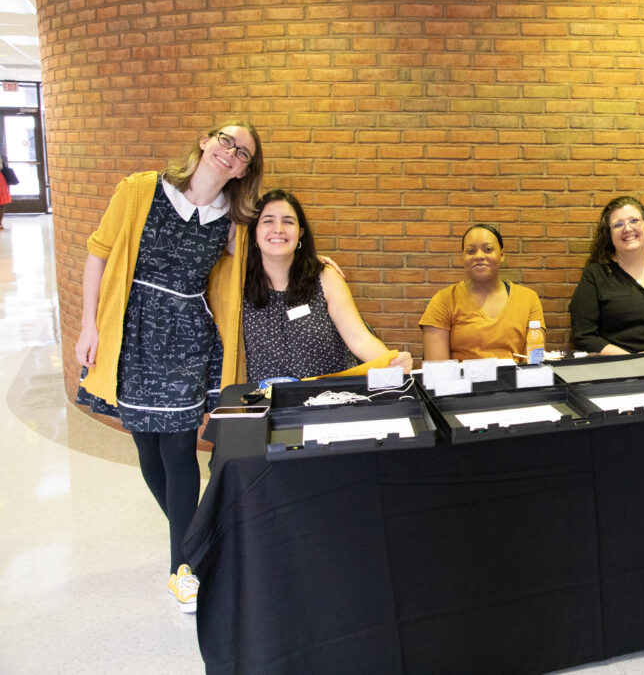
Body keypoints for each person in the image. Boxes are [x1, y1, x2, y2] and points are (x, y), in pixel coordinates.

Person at [74, 121, 262, 614]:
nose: (231, 152)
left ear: (245, 170)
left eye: (242, 153)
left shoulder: (232, 222)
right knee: (147, 447)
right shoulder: (140, 190)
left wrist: (319, 264)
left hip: (187, 336)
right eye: (226, 140)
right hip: (130, 330)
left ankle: (184, 569)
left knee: (180, 450)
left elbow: (263, 259)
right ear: (204, 142)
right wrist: (88, 325)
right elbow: (98, 253)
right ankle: (201, 537)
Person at [242, 189, 412, 380]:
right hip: (265, 402)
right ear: (254, 231)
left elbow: (359, 339)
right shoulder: (238, 286)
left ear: (300, 233)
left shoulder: (324, 276)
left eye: (288, 221)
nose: (279, 229)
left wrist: (391, 362)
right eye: (268, 221)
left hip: (328, 397)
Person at [419, 223, 544, 362]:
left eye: (488, 249)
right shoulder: (443, 300)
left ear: (502, 255)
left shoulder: (528, 299)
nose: (479, 256)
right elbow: (437, 371)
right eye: (471, 251)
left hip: (514, 382)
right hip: (462, 383)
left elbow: (533, 365)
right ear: (463, 257)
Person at [569, 196, 644, 354]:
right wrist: (631, 360)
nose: (628, 228)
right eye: (618, 225)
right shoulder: (595, 275)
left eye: (634, 221)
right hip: (620, 368)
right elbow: (584, 336)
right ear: (609, 235)